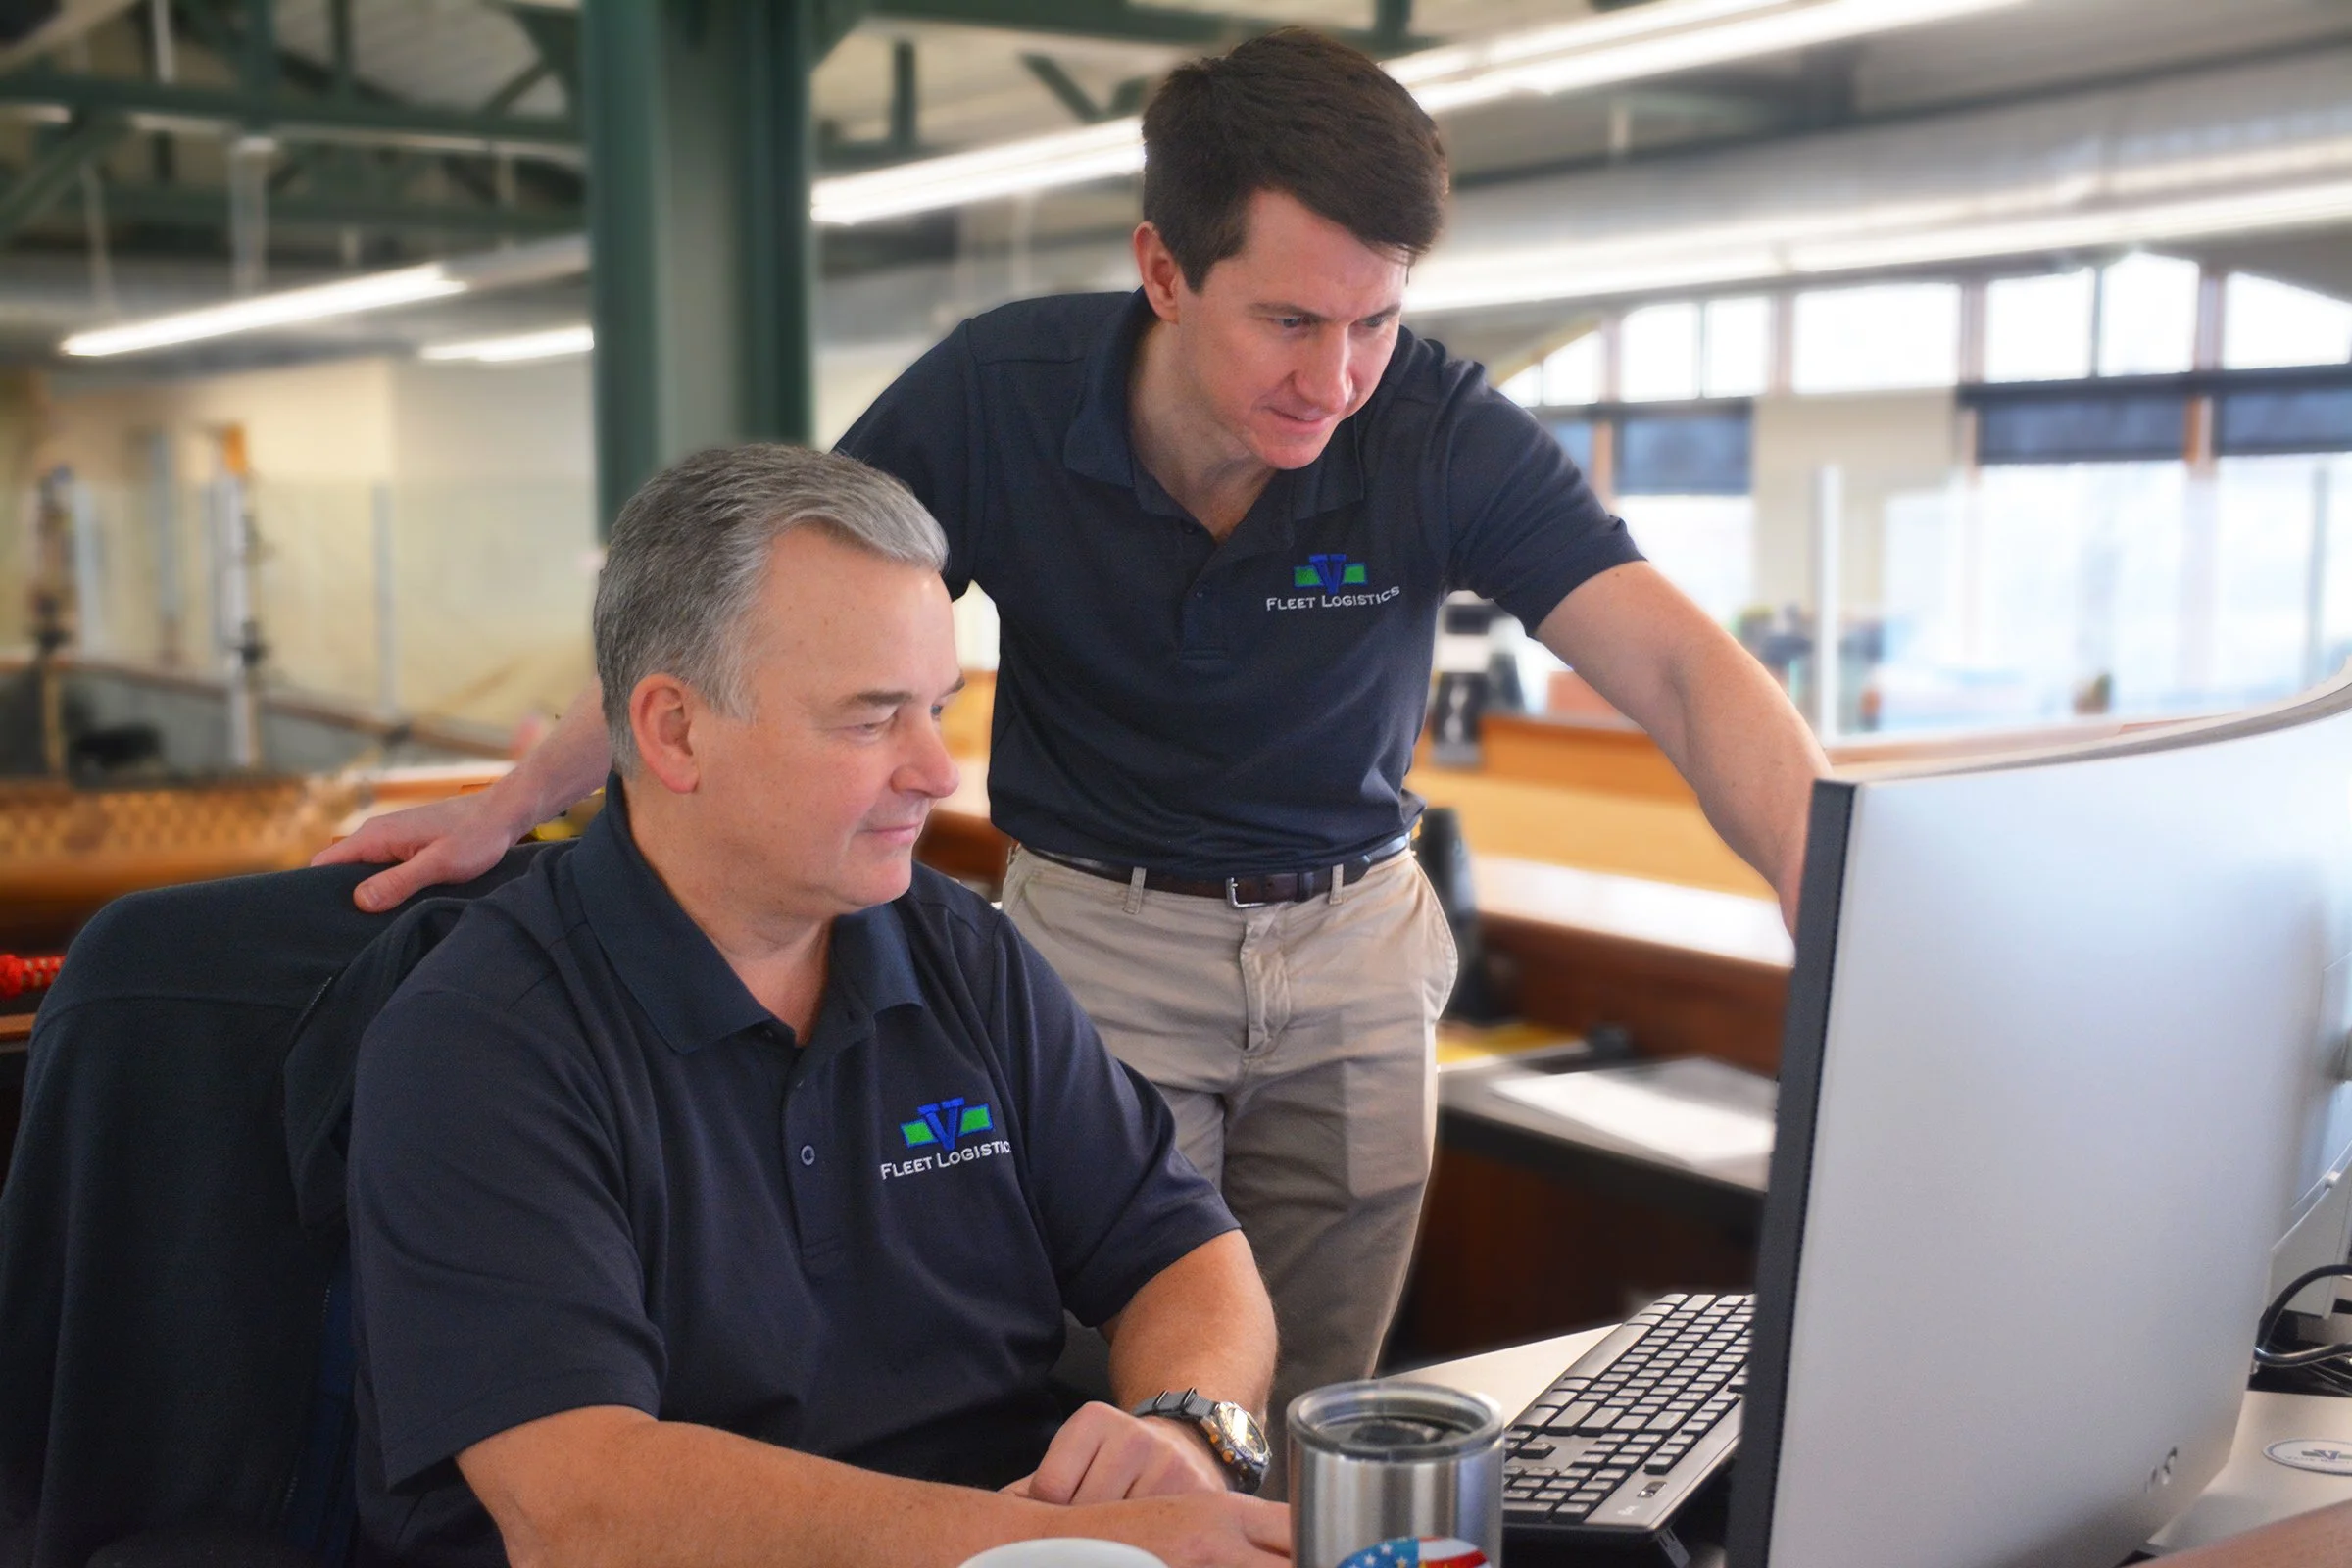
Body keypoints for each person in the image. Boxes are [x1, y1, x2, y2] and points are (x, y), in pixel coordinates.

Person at [321, 29, 1826, 1475]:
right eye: (1291, 322)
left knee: (1299, 1412)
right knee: (1057, 1389)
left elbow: (1685, 672)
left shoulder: (1434, 427)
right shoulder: (999, 397)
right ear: (1162, 269)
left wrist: (1829, 892)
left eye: (1376, 322)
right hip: (1097, 943)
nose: (1339, 378)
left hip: (1358, 944)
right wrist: (520, 805)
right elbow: (740, 610)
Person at [346, 445, 1288, 1567]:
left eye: (937, 707)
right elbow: (582, 1503)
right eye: (872, 717)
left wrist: (1188, 1434)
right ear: (674, 731)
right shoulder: (481, 1040)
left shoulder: (958, 952)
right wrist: (1048, 1544)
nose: (939, 772)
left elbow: (1184, 1252)